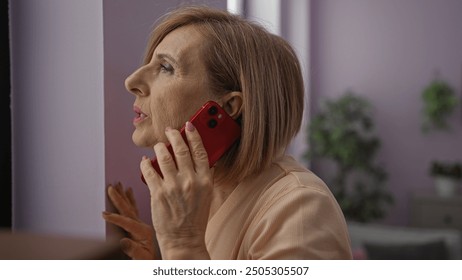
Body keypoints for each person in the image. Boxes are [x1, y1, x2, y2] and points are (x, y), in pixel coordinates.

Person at [102, 5, 352, 260]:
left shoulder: (299, 209)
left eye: (166, 67)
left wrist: (182, 244)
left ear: (229, 106)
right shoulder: (192, 196)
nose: (131, 81)